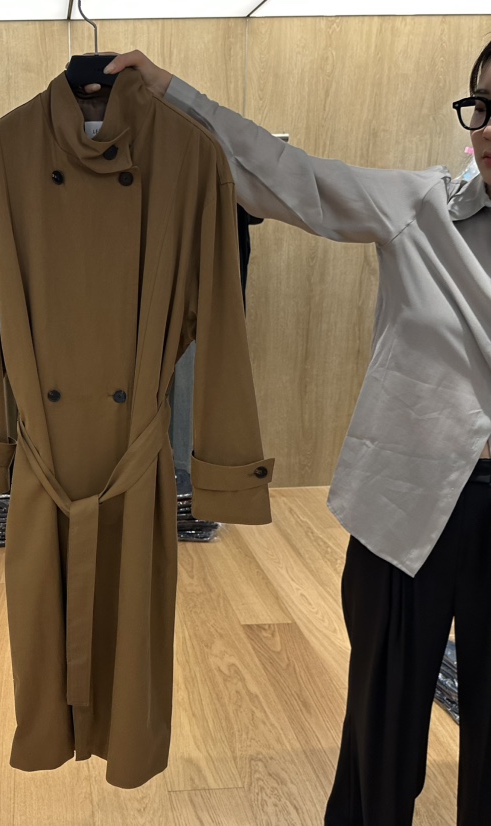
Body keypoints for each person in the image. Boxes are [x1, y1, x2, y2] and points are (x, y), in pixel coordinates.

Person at [95, 43, 491, 826]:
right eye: (482, 106)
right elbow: (290, 177)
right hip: (407, 507)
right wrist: (171, 94)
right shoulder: (420, 206)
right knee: (383, 725)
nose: (486, 129)